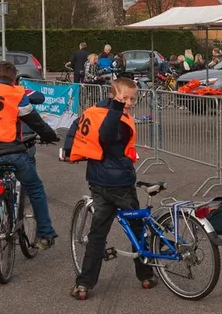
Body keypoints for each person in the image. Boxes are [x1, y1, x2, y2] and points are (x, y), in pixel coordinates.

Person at [64, 78, 155, 300]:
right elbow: (107, 134)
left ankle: (84, 283)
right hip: (120, 183)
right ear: (114, 95)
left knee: (97, 234)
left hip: (98, 180)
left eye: (133, 98)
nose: (130, 102)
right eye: (125, 98)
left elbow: (76, 127)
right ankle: (145, 274)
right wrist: (116, 109)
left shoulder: (93, 111)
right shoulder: (116, 117)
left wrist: (68, 150)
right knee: (136, 229)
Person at [0, 61, 59, 276]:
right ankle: (45, 234)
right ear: (13, 79)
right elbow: (34, 121)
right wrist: (50, 136)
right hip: (12, 152)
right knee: (35, 188)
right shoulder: (16, 94)